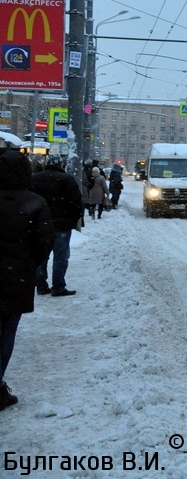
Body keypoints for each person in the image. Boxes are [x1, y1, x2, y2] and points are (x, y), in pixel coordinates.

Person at [0, 149, 56, 411]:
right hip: (17, 277)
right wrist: (29, 265)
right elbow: (45, 241)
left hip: (16, 271)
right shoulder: (35, 202)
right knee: (8, 329)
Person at [30, 156, 84, 297]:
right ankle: (58, 286)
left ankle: (41, 285)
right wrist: (73, 219)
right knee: (60, 256)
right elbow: (76, 202)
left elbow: (28, 200)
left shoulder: (34, 178)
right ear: (61, 164)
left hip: (40, 225)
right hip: (62, 226)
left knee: (41, 256)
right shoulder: (67, 179)